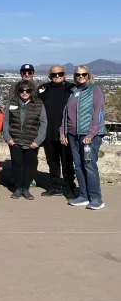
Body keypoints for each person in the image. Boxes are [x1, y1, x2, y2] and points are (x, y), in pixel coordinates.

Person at [62, 66, 106, 210]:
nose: (80, 76)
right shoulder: (74, 91)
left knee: (89, 165)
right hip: (73, 135)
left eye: (84, 74)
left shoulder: (95, 90)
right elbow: (66, 114)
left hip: (89, 136)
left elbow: (99, 113)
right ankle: (84, 195)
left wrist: (91, 134)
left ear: (88, 75)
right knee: (79, 166)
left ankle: (96, 198)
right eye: (78, 74)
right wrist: (63, 132)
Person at [3, 82, 47, 201]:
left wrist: (38, 141)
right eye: (22, 90)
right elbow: (6, 121)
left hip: (32, 141)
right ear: (18, 90)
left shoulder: (38, 104)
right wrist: (8, 138)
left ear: (31, 91)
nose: (24, 93)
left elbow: (43, 123)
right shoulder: (12, 103)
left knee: (29, 166)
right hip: (15, 140)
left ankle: (26, 188)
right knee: (16, 165)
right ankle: (18, 188)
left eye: (27, 91)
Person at [38, 66, 76, 197]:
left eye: (60, 74)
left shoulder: (72, 89)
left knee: (67, 161)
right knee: (52, 161)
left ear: (65, 75)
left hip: (66, 132)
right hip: (49, 132)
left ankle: (69, 186)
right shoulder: (44, 89)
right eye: (54, 74)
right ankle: (54, 185)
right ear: (50, 76)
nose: (57, 76)